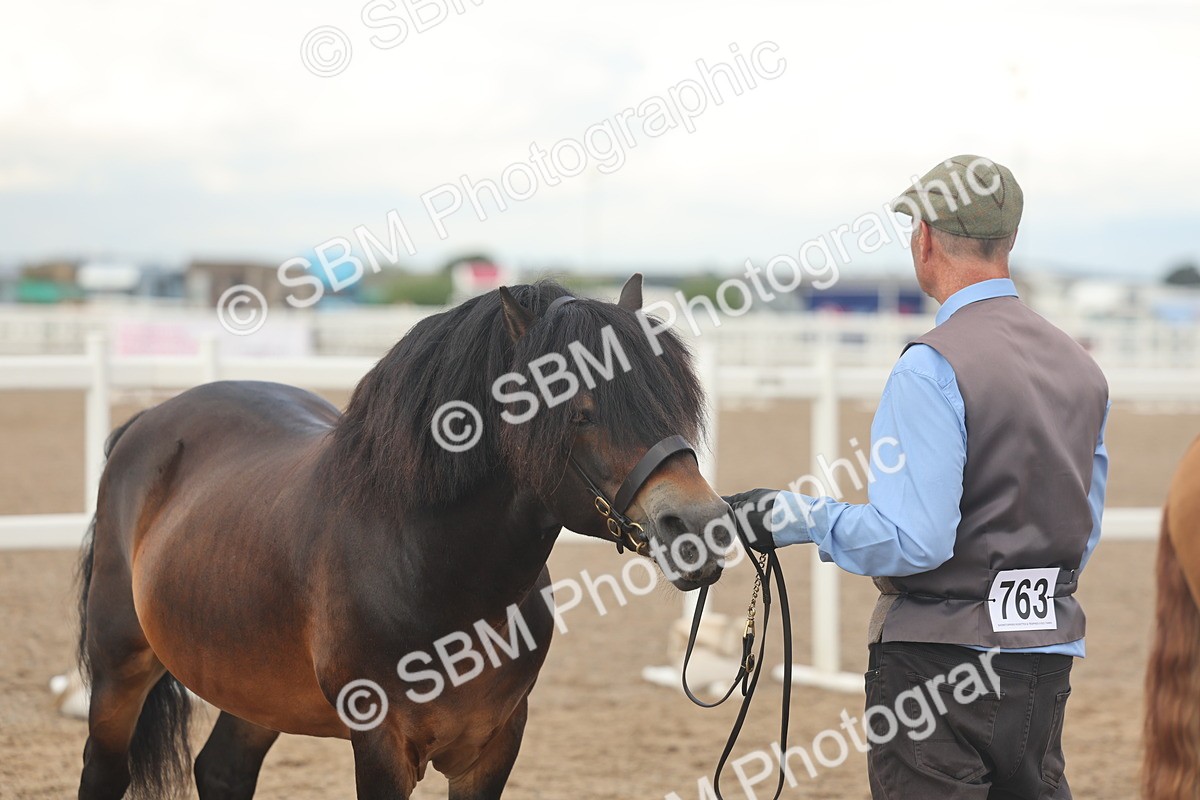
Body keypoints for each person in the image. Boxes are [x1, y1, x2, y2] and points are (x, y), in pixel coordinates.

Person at [724, 155, 1109, 799]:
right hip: (1044, 659)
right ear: (1008, 241)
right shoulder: (1082, 369)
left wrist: (794, 516)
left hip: (936, 663)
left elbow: (917, 540)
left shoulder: (930, 367)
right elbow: (1083, 530)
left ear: (924, 239)